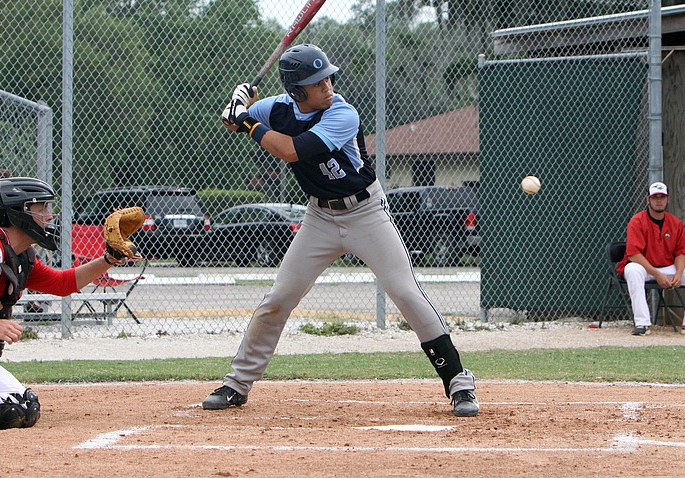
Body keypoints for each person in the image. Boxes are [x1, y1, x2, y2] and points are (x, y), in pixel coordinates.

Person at [202, 44, 478, 417]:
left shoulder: (342, 113)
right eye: (317, 82)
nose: (327, 86)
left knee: (405, 292)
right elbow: (234, 121)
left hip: (366, 212)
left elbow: (290, 149)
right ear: (296, 90)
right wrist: (237, 107)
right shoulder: (276, 108)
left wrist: (246, 120)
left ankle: (459, 382)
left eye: (328, 78)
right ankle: (237, 384)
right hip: (319, 217)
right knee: (278, 298)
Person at [0, 177, 128, 429]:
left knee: (16, 400)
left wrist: (109, 258)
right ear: (19, 213)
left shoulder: (18, 255)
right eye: (42, 208)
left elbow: (63, 283)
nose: (49, 216)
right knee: (17, 402)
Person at [617, 182, 685, 336]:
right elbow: (634, 255)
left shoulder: (675, 223)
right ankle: (642, 323)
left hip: (667, 267)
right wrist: (657, 274)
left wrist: (679, 273)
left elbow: (681, 252)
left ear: (668, 199)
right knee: (633, 270)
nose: (659, 201)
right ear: (648, 200)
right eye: (655, 197)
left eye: (662, 197)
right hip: (645, 268)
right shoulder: (637, 221)